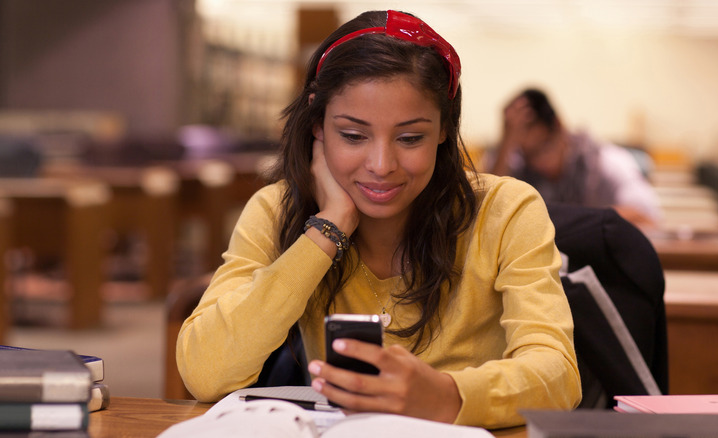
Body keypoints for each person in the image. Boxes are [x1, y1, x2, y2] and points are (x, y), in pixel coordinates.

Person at [176, 10, 581, 429]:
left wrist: (445, 396)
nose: (382, 165)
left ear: (444, 128)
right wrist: (328, 228)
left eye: (410, 138)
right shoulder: (277, 209)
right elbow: (206, 372)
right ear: (317, 123)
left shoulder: (506, 210)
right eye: (353, 135)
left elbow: (558, 376)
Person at [490, 88, 662, 227]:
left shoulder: (606, 161)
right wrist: (506, 144)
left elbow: (647, 216)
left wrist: (577, 220)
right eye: (530, 155)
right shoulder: (517, 165)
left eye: (544, 148)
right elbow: (488, 210)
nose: (540, 163)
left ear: (559, 126)